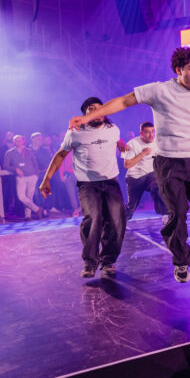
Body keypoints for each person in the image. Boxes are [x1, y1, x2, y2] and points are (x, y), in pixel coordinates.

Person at [67, 47, 190, 283]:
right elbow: (123, 101)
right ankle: (181, 261)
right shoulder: (159, 90)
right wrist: (88, 117)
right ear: (178, 69)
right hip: (170, 164)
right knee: (177, 214)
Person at [40, 97, 126, 277]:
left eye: (99, 107)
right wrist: (46, 179)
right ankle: (90, 262)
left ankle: (108, 260)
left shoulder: (113, 129)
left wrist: (121, 144)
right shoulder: (75, 132)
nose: (96, 110)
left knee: (117, 221)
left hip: (111, 182)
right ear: (85, 113)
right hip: (88, 184)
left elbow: (116, 140)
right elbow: (60, 155)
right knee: (94, 218)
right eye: (91, 108)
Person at [122, 122, 169, 223]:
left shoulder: (157, 142)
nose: (151, 135)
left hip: (151, 175)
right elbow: (127, 165)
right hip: (135, 178)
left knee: (158, 187)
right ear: (141, 133)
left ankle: (165, 216)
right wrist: (142, 153)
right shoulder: (132, 144)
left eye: (153, 132)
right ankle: (117, 225)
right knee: (131, 208)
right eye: (147, 132)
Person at [4, 135, 43, 220]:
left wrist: (36, 175)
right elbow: (6, 166)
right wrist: (15, 169)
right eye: (16, 140)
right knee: (21, 196)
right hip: (20, 177)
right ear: (13, 142)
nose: (18, 142)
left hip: (32, 176)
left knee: (29, 197)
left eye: (20, 140)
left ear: (23, 141)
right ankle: (37, 209)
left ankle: (28, 216)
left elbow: (35, 163)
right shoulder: (9, 152)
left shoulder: (29, 151)